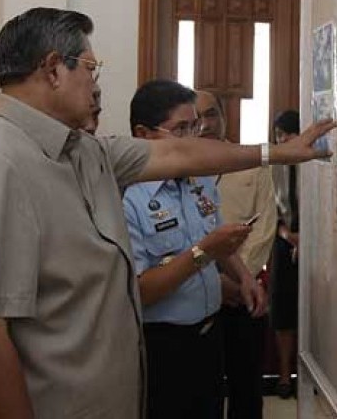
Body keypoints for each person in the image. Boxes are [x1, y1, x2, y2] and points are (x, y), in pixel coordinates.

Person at [0, 7, 336, 419]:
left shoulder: (80, 150)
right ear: (54, 69)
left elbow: (178, 152)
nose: (94, 84)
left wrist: (278, 152)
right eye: (90, 67)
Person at [124, 80, 266, 419]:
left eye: (196, 127)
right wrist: (203, 252)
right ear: (143, 134)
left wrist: (243, 276)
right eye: (181, 129)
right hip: (164, 345)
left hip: (210, 335)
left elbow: (216, 236)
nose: (194, 139)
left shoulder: (197, 179)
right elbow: (141, 290)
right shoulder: (129, 196)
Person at [196, 90, 277, 419]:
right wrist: (215, 281)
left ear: (224, 116)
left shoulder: (250, 163)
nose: (205, 124)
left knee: (247, 387)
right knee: (204, 388)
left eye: (211, 114)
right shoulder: (180, 169)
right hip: (198, 295)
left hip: (244, 295)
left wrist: (240, 278)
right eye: (197, 117)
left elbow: (265, 227)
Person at [270, 110, 302, 398]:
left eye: (288, 134)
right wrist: (288, 236)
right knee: (282, 311)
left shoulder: (314, 164)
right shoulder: (273, 166)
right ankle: (283, 376)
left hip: (314, 244)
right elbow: (268, 212)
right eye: (278, 136)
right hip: (282, 242)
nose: (283, 140)